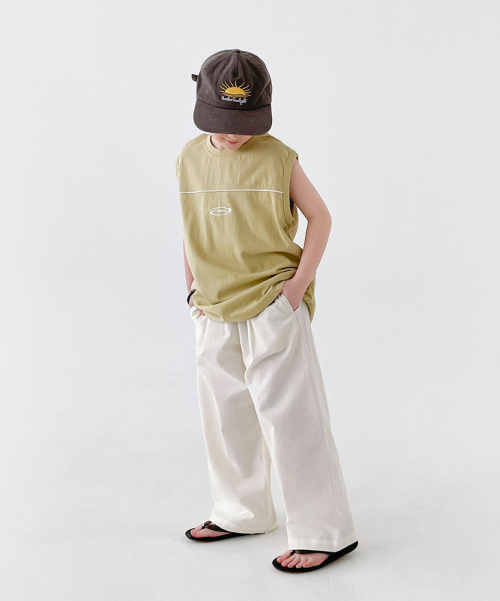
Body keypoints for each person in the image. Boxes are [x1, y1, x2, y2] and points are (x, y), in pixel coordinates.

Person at [175, 49, 358, 573]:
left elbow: (320, 217)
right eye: (224, 122)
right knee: (225, 416)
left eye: (246, 122)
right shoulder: (188, 158)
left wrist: (297, 288)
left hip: (271, 303)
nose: (235, 134)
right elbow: (190, 224)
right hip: (213, 306)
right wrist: (191, 288)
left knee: (293, 419)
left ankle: (325, 531)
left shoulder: (279, 158)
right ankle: (242, 512)